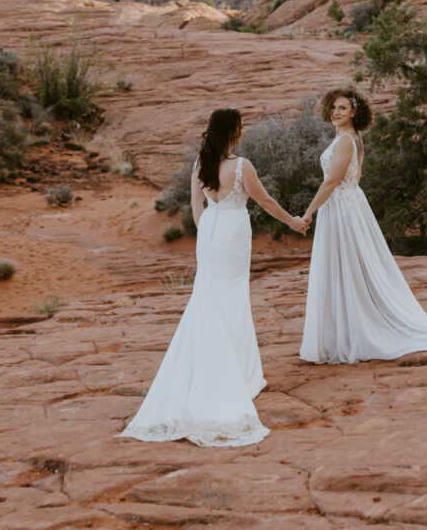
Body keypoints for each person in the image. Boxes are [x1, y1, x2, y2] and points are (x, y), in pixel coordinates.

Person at [121, 108, 307, 446]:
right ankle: (237, 373)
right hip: (234, 230)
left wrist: (207, 229)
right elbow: (263, 200)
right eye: (240, 127)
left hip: (209, 232)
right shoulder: (241, 166)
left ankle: (221, 368)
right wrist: (293, 222)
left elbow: (196, 207)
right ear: (232, 132)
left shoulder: (200, 164)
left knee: (207, 295)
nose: (243, 132)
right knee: (232, 296)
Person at [300, 88, 427, 364]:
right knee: (347, 267)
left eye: (343, 108)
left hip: (342, 209)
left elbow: (332, 181)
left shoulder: (347, 140)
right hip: (345, 206)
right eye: (334, 107)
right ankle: (345, 331)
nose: (336, 112)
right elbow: (352, 178)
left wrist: (309, 212)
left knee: (348, 267)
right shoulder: (349, 138)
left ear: (354, 112)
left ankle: (355, 332)